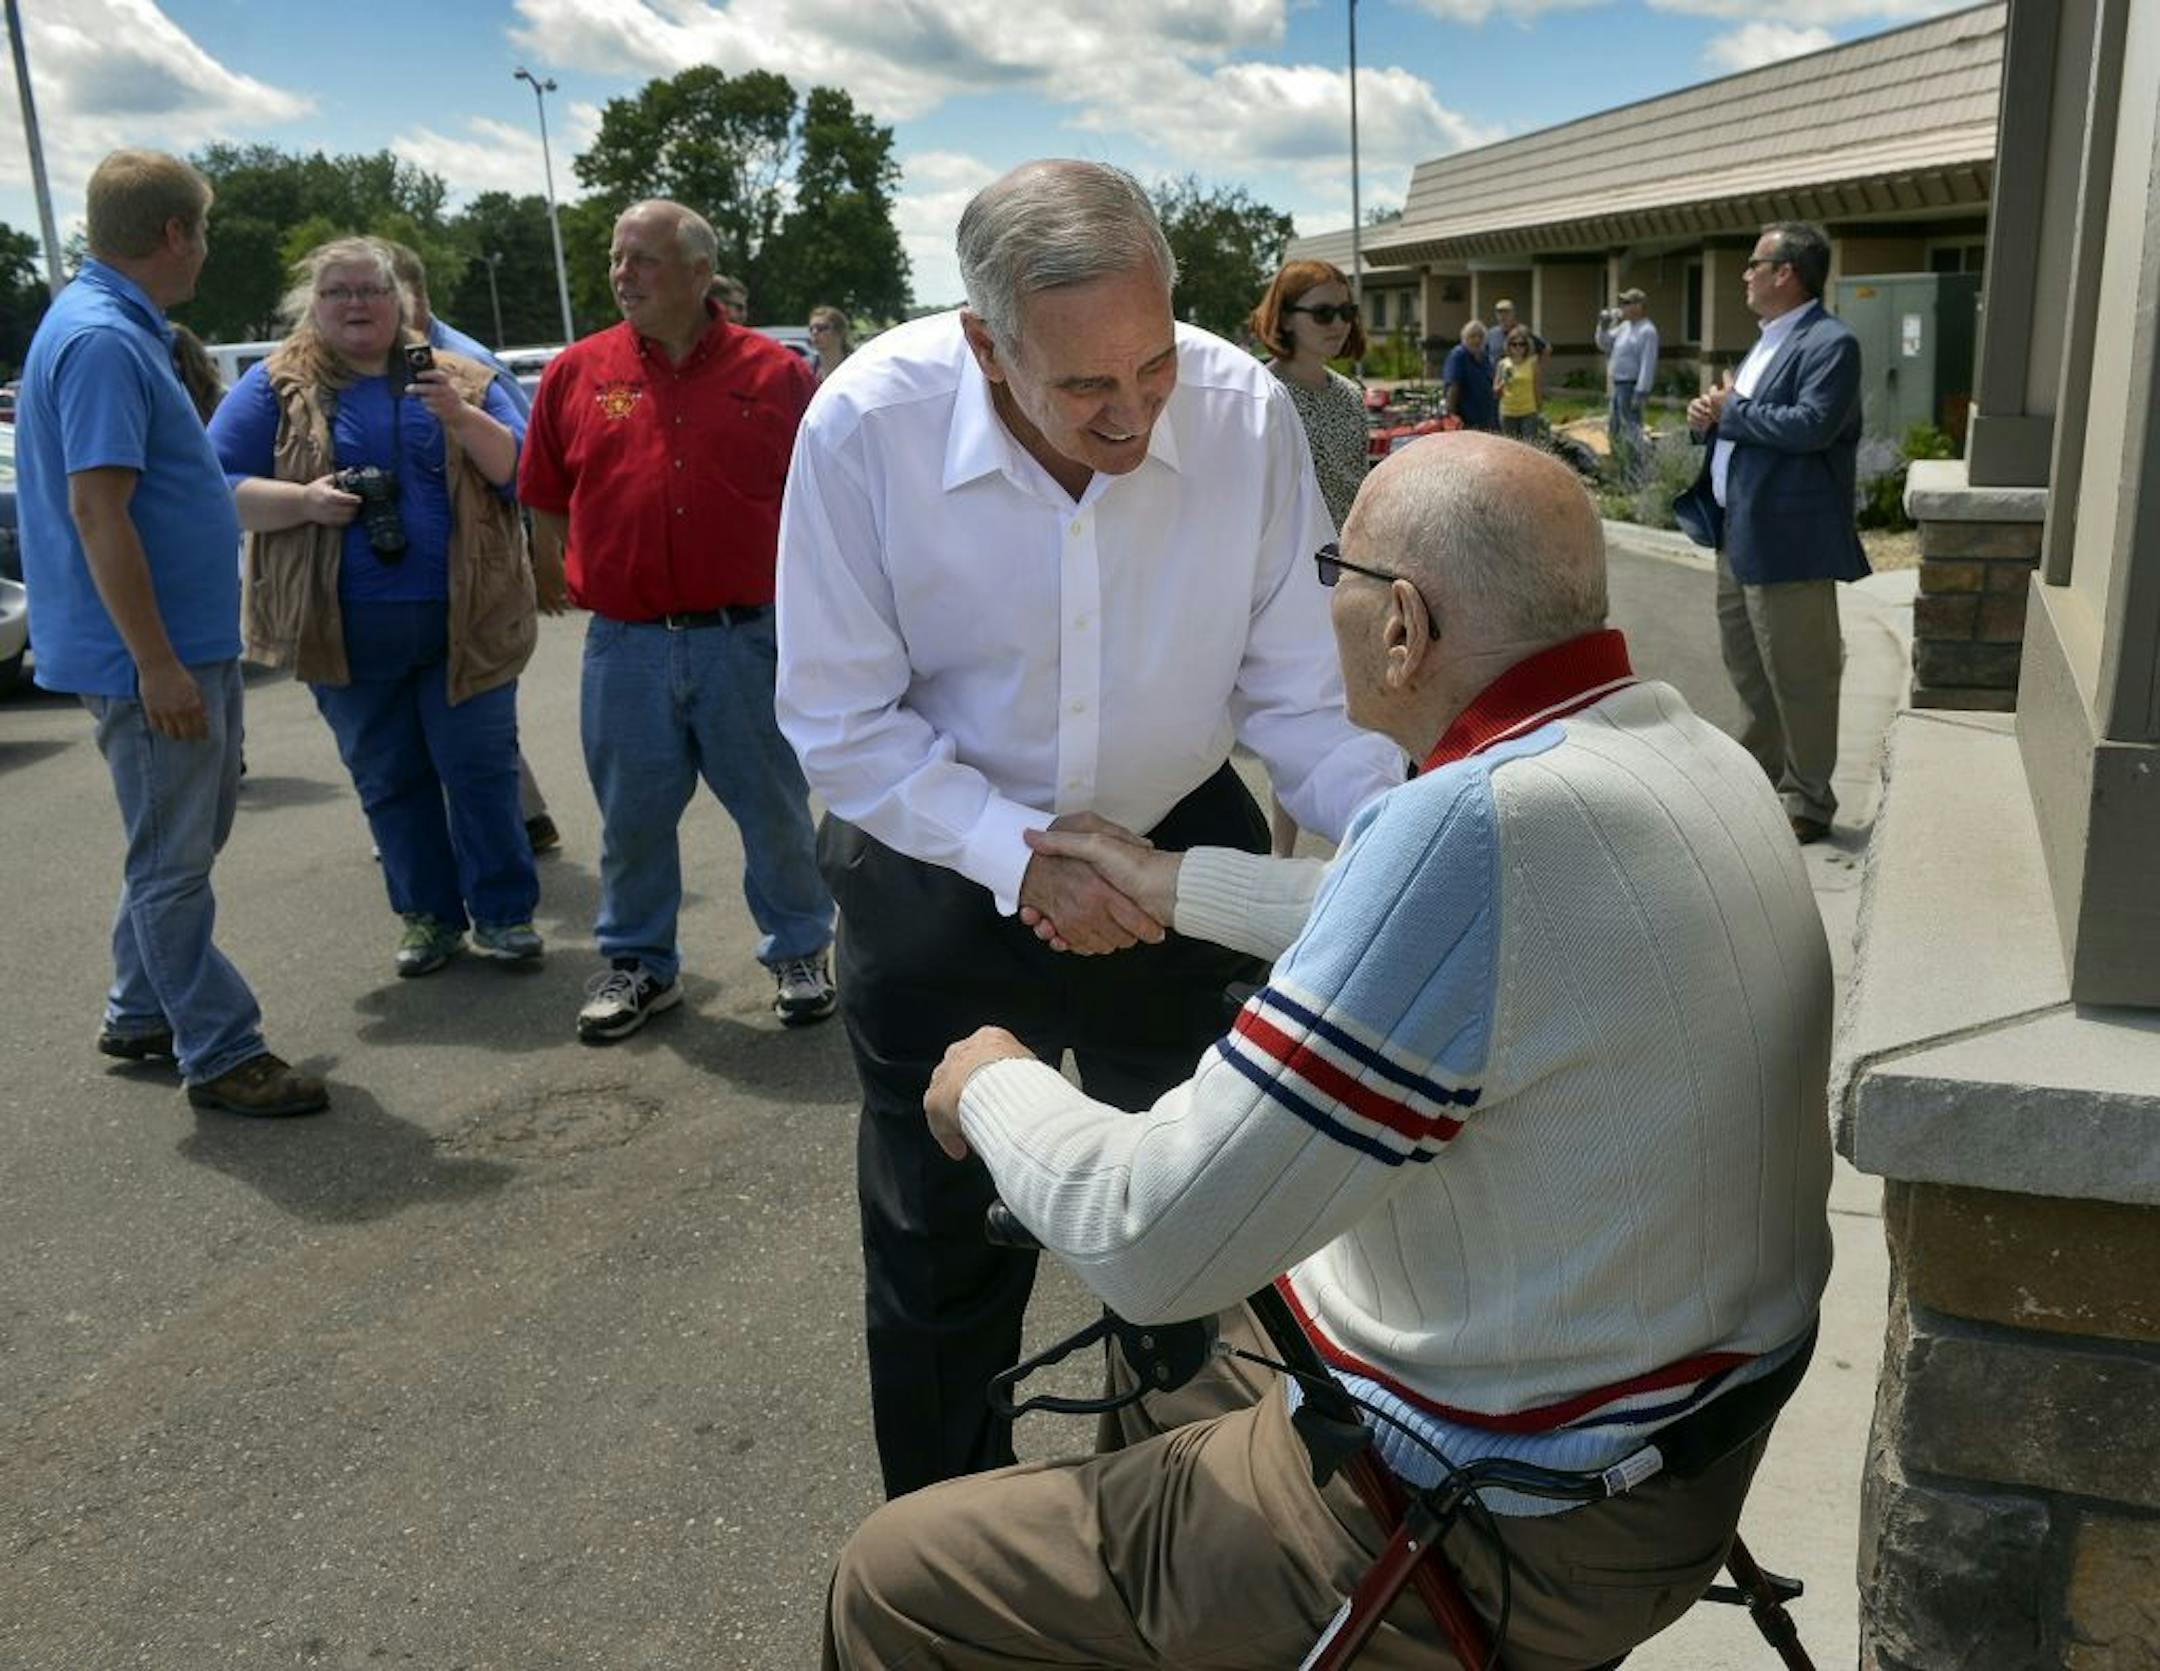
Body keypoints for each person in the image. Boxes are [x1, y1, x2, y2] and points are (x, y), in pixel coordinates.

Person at [821, 432, 1835, 1671]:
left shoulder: (1472, 827)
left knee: (895, 1573)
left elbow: (1145, 1233)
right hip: (1677, 1453)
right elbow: (1448, 934)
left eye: (1334, 574)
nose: (1324, 603)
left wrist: (991, 1082)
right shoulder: (1669, 750)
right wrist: (1172, 882)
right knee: (1184, 1360)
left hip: (1503, 1525)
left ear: (1402, 623)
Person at [774, 159, 1404, 1501]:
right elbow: (842, 719)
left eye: (1155, 365)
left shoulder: (1243, 412)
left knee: (1195, 1230)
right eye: (1082, 388)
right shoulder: (862, 426)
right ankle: (947, 1562)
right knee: (939, 1255)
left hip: (1174, 857)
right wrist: (1024, 856)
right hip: (939, 863)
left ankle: (1174, 1531)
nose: (1130, 417)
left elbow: (1296, 689)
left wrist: (1421, 838)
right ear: (981, 343)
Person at [15, 148, 327, 1117]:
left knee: (176, 837)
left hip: (170, 646)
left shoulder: (112, 325)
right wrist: (156, 663)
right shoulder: (105, 339)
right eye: (203, 230)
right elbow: (99, 512)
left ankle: (140, 1007)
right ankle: (221, 1047)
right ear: (174, 234)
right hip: (150, 655)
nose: (204, 248)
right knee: (175, 858)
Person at [518, 200, 837, 1042]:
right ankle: (638, 963)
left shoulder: (774, 373)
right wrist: (563, 573)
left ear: (700, 274)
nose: (624, 275)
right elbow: (546, 496)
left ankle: (800, 951)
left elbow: (826, 504)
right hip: (624, 644)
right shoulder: (576, 372)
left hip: (748, 638)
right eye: (618, 259)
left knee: (773, 809)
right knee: (630, 819)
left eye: (645, 260)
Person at [209, 236, 541, 979]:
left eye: (372, 290)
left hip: (472, 618)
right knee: (389, 776)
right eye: (338, 293)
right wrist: (302, 500)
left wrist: (458, 414)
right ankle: (427, 918)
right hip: (344, 631)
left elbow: (520, 472)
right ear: (311, 306)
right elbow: (216, 485)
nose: (356, 304)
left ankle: (505, 914)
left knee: (480, 771)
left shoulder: (463, 377)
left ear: (402, 302)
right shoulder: (275, 386)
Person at [1674, 221, 1869, 846]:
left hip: (1790, 541)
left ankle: (1810, 801)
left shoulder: (1830, 344)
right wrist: (1711, 418)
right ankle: (1759, 782)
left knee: (1801, 674)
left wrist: (1735, 413)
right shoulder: (1767, 342)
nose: (1746, 274)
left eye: (1755, 263)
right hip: (1741, 533)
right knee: (1750, 670)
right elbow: (1750, 423)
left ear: (1786, 272)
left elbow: (1812, 425)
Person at [382, 239, 559, 855]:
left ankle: (511, 829)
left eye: (384, 294)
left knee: (473, 700)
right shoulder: (372, 361)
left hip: (477, 570)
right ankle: (522, 815)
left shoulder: (466, 362)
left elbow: (527, 461)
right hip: (413, 579)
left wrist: (543, 553)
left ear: (412, 295)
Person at [1249, 257, 1371, 857]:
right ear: (1286, 318)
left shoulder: (1350, 396)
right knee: (1295, 711)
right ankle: (1281, 850)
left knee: (1355, 707)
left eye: (1345, 312)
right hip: (1287, 573)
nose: (1339, 324)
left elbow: (1358, 483)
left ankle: (1357, 833)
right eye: (1323, 312)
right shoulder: (1260, 391)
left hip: (1351, 570)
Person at [1595, 287, 1659, 470]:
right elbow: (1604, 343)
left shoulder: (1647, 330)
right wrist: (1603, 325)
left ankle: (1638, 469)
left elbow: (1648, 362)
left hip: (1632, 386)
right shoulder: (1624, 327)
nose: (1622, 307)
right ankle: (1619, 466)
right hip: (1617, 384)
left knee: (1632, 429)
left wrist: (1642, 390)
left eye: (1627, 303)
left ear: (1639, 306)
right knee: (1614, 428)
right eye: (1622, 303)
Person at [1441, 319, 1499, 432]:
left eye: (1480, 336)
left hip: (1486, 418)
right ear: (1464, 338)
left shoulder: (1485, 357)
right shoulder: (1458, 355)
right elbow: (1453, 385)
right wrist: (1451, 414)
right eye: (1472, 336)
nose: (1477, 340)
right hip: (1466, 419)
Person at [1496, 326, 1545, 441]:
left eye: (1522, 344)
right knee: (1510, 446)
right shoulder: (1502, 364)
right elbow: (1496, 391)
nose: (1518, 347)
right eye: (1514, 344)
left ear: (1527, 346)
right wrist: (1504, 381)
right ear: (1508, 345)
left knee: (1529, 445)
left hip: (1528, 411)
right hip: (1508, 411)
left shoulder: (1533, 362)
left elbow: (1537, 387)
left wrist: (1540, 409)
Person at [1488, 296, 1547, 364]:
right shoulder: (1491, 333)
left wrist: (1536, 368)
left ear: (1513, 313)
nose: (1503, 316)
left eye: (1506, 312)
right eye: (1500, 312)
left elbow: (1545, 349)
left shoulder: (1523, 331)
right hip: (1496, 373)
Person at [807, 304, 852, 382]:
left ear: (839, 332)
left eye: (821, 328)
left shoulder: (856, 366)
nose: (814, 332)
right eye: (811, 329)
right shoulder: (808, 369)